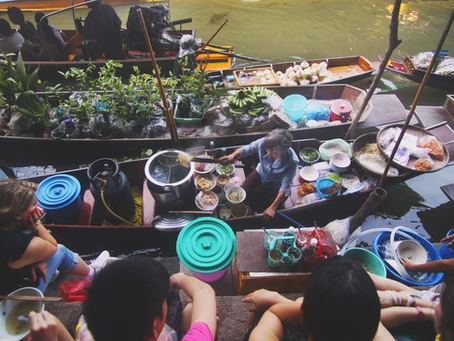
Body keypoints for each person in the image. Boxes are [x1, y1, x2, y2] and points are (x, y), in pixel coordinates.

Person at [0, 179, 109, 295]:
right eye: (33, 204)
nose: (39, 205)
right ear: (17, 215)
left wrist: (34, 258)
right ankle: (92, 273)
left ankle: (48, 271)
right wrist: (35, 224)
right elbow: (53, 247)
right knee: (61, 251)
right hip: (12, 297)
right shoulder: (14, 243)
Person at [244, 256, 388, 341]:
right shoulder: (365, 326)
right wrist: (407, 300)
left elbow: (274, 313)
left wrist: (283, 301)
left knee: (258, 315)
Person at [220, 128, 298, 221]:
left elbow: (286, 186)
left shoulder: (292, 161)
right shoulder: (264, 142)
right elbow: (246, 149)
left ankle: (255, 210)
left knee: (259, 202)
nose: (268, 154)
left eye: (273, 153)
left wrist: (273, 207)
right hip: (260, 171)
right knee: (242, 194)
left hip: (275, 182)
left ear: (283, 152)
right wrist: (232, 156)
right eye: (267, 150)